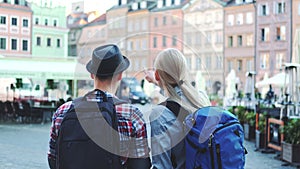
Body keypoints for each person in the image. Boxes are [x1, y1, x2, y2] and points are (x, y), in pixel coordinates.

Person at [48, 44, 151, 169]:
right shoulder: (132, 115)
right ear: (120, 75)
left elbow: (53, 158)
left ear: (92, 75)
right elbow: (141, 165)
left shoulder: (63, 111)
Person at [145, 48, 211, 169]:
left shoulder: (159, 114)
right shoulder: (202, 97)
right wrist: (158, 81)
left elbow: (162, 166)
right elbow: (178, 94)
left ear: (157, 75)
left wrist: (159, 80)